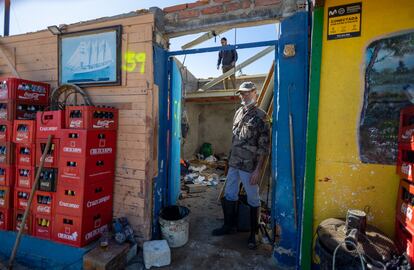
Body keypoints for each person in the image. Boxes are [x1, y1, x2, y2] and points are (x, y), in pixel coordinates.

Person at [212, 81, 270, 250]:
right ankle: (229, 226)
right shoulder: (239, 112)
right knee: (230, 194)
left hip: (249, 166)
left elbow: (264, 147)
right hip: (234, 163)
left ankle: (253, 234)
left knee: (253, 198)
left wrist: (258, 170)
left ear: (255, 93)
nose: (243, 96)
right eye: (241, 94)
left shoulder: (261, 116)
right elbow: (235, 138)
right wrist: (229, 161)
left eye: (246, 93)